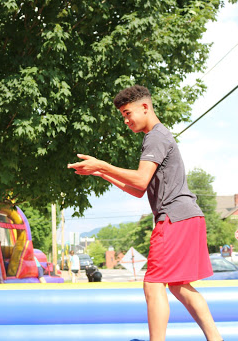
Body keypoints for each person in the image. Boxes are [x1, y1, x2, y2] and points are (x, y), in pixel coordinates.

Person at [68, 85, 222, 341]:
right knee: (179, 286)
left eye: (128, 114)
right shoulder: (159, 137)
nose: (126, 121)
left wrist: (103, 163)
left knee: (153, 284)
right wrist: (101, 173)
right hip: (188, 215)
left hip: (174, 217)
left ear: (145, 107)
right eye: (123, 117)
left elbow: (140, 180)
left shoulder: (155, 137)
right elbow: (139, 190)